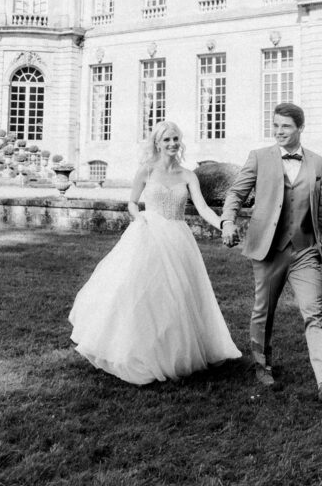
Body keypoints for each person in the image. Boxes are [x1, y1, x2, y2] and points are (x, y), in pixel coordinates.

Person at [69, 121, 241, 384]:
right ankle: (139, 349)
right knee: (141, 291)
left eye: (175, 139)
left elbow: (204, 208)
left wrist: (222, 223)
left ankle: (175, 351)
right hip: (148, 232)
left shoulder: (188, 175)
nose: (172, 144)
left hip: (178, 237)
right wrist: (138, 217)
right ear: (157, 144)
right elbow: (131, 202)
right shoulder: (147, 170)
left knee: (180, 294)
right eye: (167, 140)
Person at [220, 102, 322, 405]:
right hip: (268, 249)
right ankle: (262, 365)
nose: (279, 131)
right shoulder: (259, 158)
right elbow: (236, 193)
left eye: (286, 126)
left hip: (305, 251)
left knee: (314, 314)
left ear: (300, 128)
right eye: (275, 125)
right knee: (264, 311)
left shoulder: (316, 162)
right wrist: (227, 222)